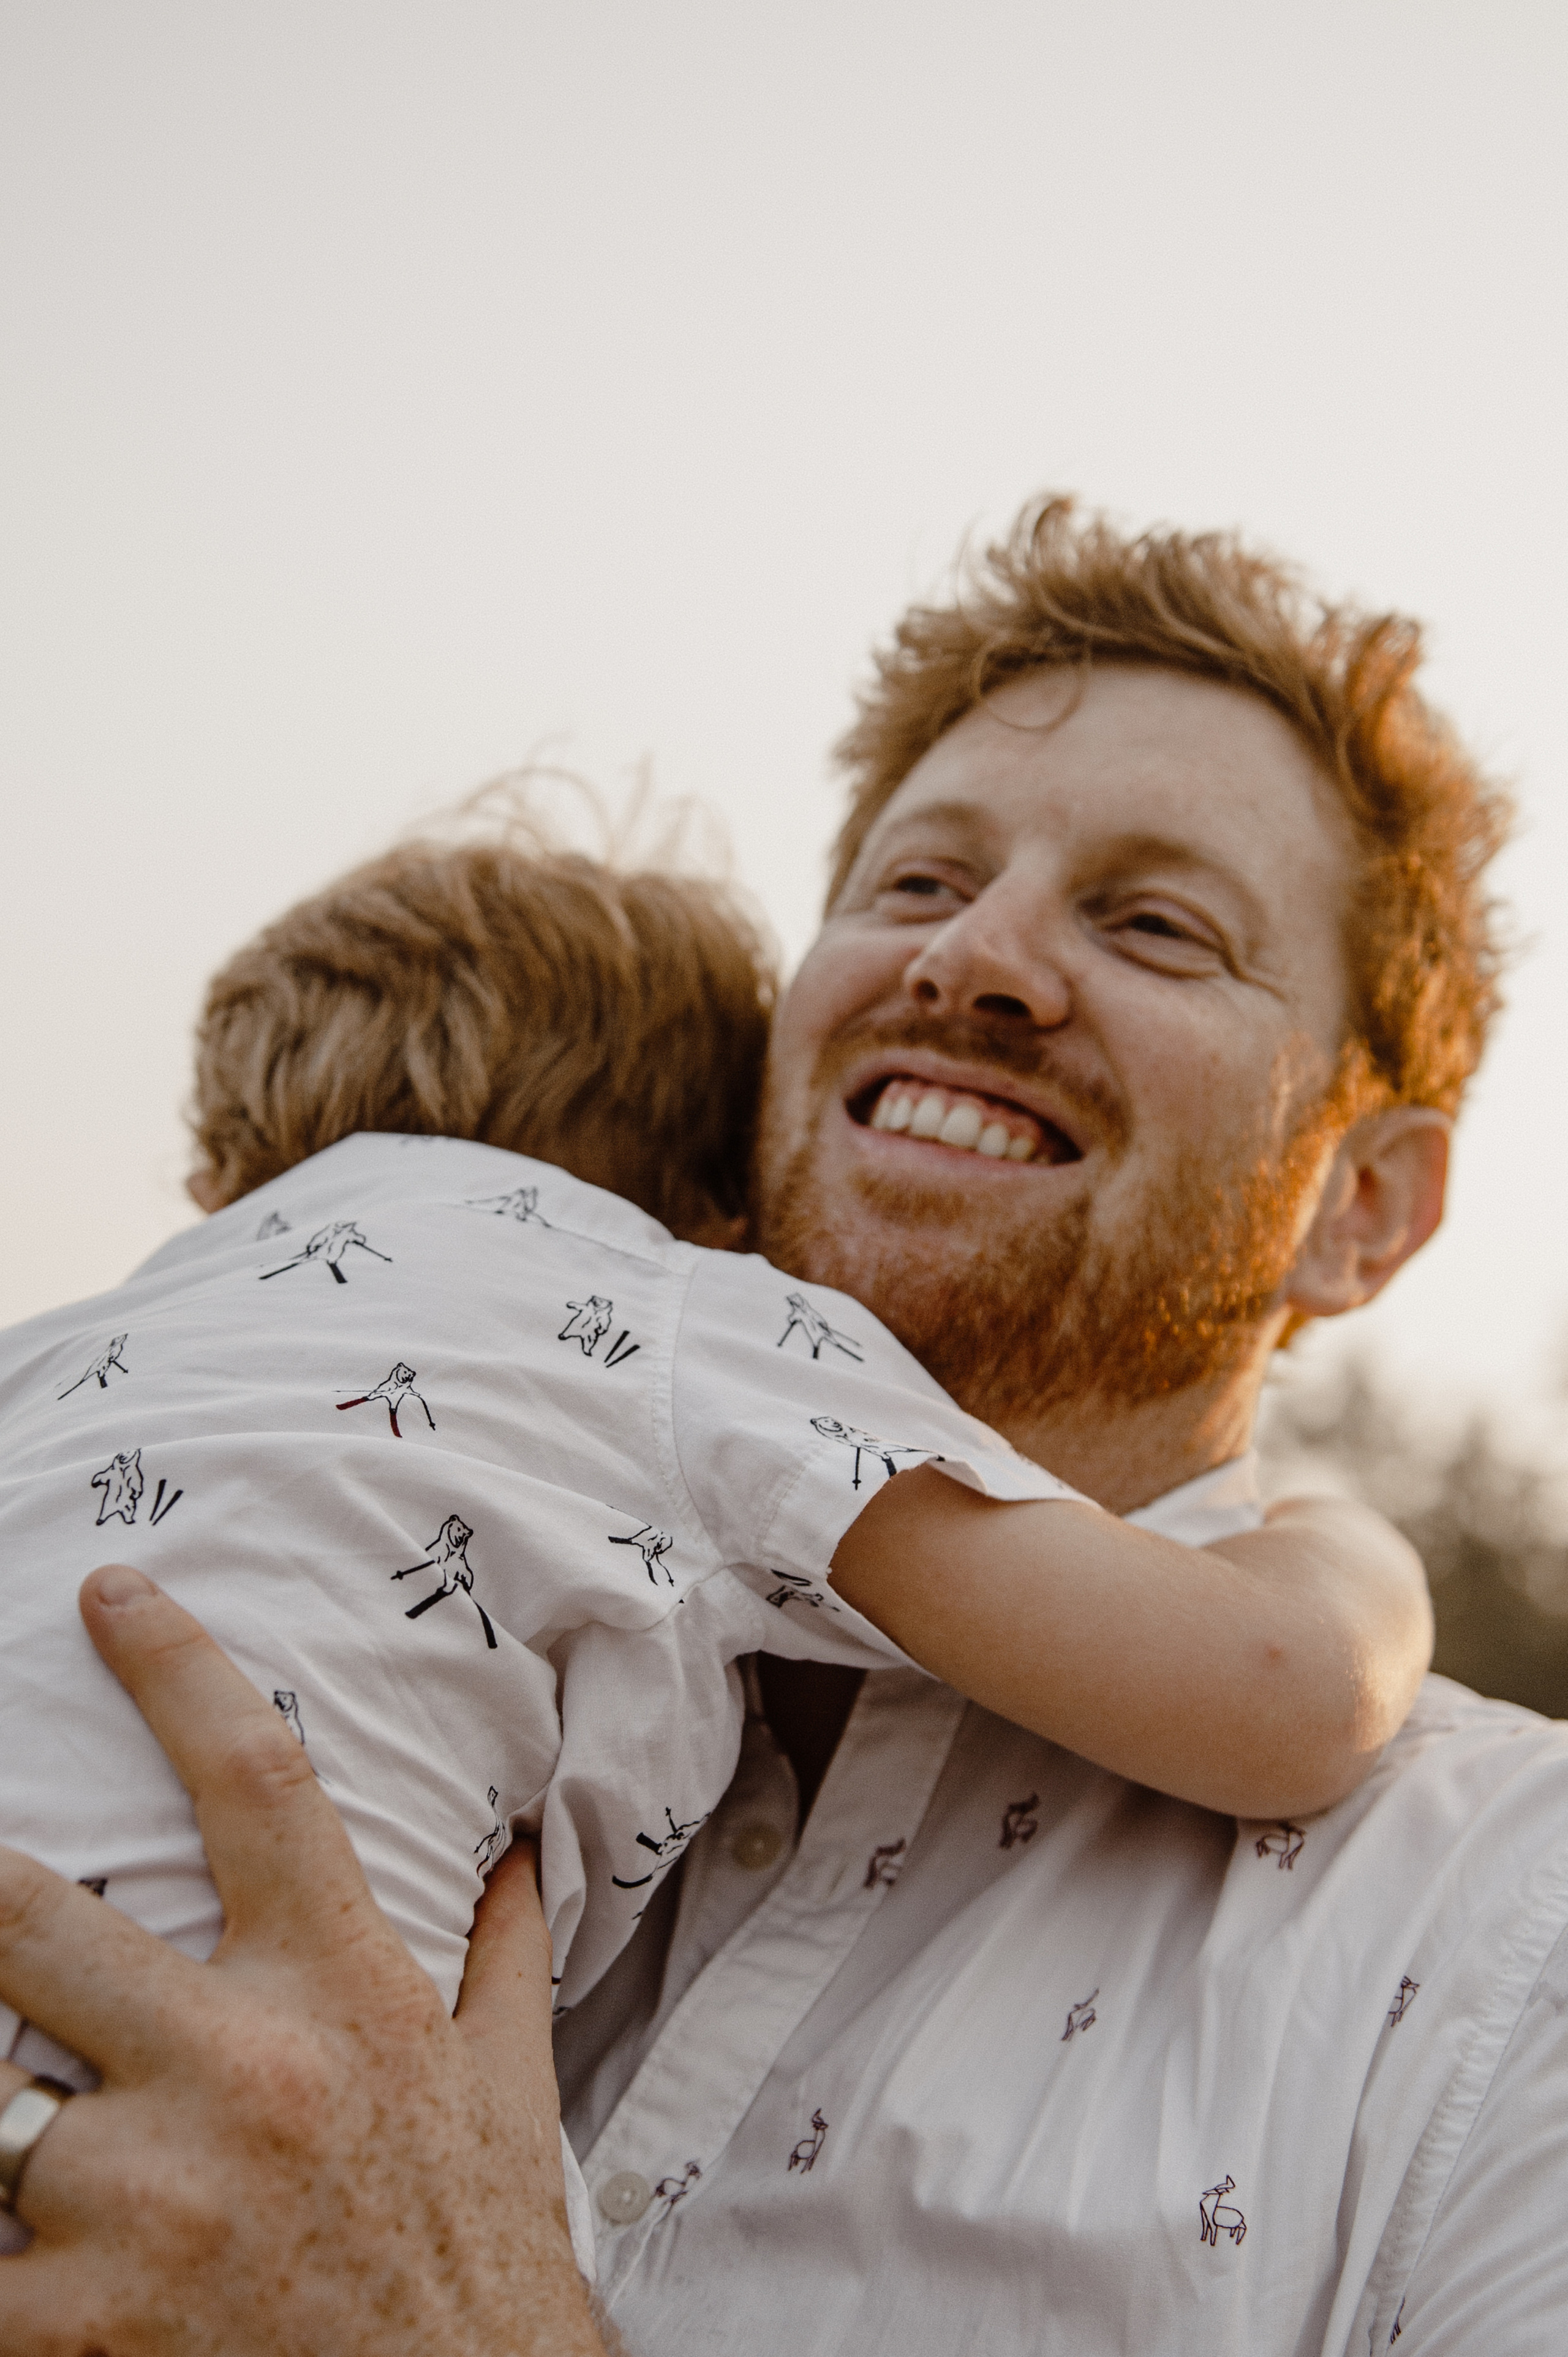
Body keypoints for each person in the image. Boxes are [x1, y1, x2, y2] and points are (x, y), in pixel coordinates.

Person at [0, 494, 1559, 2355]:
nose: (973, 961)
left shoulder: (1502, 1935)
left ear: (1364, 1204)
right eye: (912, 885)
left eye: (1154, 923)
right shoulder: (500, 1479)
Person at [0, 827, 1425, 2243]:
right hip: (182, 2155)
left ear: (222, 1172)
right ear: (718, 1214)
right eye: (919, 881)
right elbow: (1278, 1685)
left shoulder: (58, 1349)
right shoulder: (669, 1309)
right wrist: (1333, 1525)